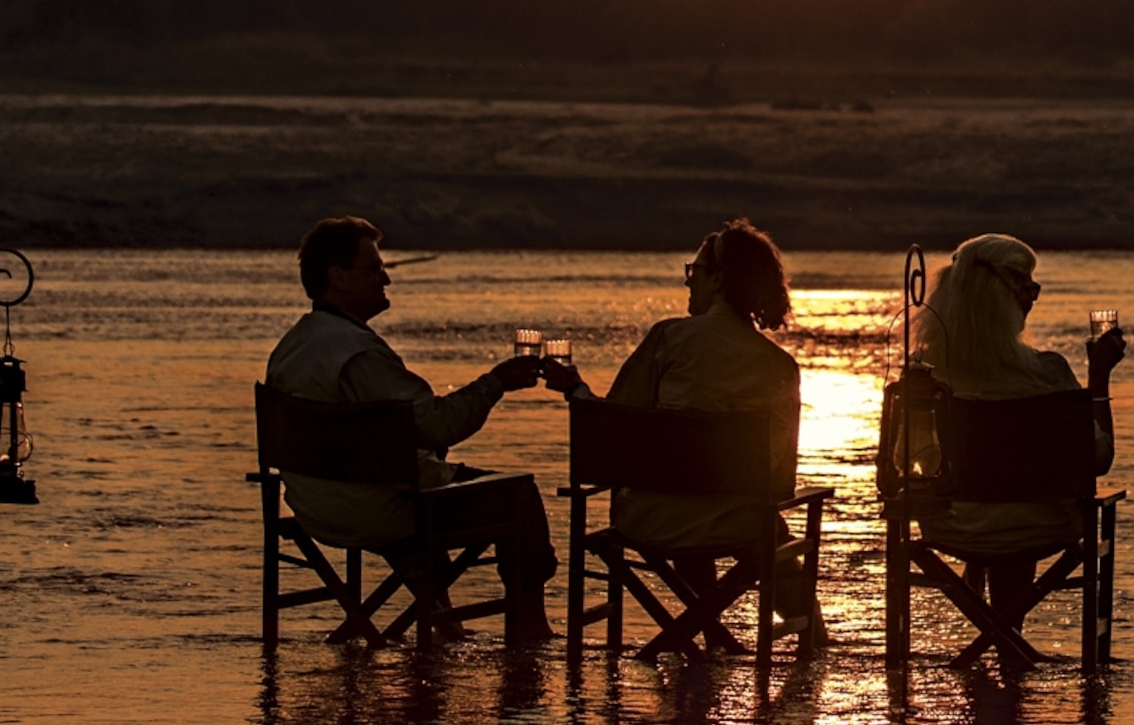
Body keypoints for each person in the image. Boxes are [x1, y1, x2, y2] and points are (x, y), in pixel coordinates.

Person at [264, 215, 568, 643]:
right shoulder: (360, 354)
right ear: (338, 277)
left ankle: (443, 621)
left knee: (422, 478)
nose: (385, 278)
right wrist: (496, 382)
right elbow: (438, 424)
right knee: (518, 495)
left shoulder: (290, 347)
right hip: (379, 509)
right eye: (373, 268)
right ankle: (530, 629)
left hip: (316, 509)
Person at [600, 218, 824, 643]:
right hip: (735, 524)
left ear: (720, 279)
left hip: (651, 522)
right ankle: (813, 642)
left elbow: (613, 423)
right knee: (761, 528)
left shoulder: (669, 338)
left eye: (695, 272)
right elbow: (779, 478)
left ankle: (705, 634)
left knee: (693, 504)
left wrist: (574, 388)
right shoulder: (779, 366)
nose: (688, 283)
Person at [896, 234, 1119, 613]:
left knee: (995, 506)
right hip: (1040, 527)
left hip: (951, 526)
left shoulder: (925, 378)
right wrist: (1099, 379)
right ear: (1008, 298)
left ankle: (998, 629)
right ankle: (1008, 634)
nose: (1032, 300)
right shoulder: (1047, 373)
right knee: (1018, 511)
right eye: (1028, 289)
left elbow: (908, 461)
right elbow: (1097, 459)